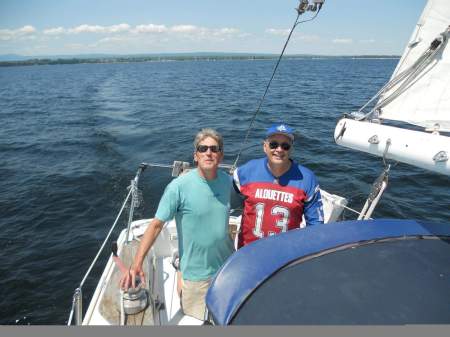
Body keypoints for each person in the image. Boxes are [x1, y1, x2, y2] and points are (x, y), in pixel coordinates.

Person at [120, 128, 234, 320]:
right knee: (202, 317)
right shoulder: (178, 187)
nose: (208, 152)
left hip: (227, 267)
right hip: (197, 275)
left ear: (221, 155)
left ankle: (180, 267)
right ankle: (182, 272)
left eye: (214, 149)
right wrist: (137, 263)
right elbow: (156, 225)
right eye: (203, 148)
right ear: (195, 155)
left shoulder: (227, 181)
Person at [233, 123, 324, 247]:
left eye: (285, 146)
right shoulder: (245, 172)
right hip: (248, 252)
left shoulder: (307, 179)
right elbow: (231, 203)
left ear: (291, 149)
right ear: (265, 147)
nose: (279, 149)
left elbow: (315, 225)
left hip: (285, 256)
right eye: (273, 144)